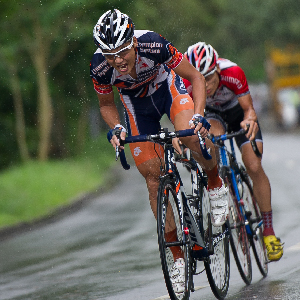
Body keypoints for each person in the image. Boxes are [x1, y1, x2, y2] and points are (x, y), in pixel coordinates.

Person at [90, 9, 229, 296]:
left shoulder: (154, 44)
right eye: (109, 55)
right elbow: (106, 105)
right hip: (137, 108)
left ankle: (215, 183)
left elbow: (196, 78)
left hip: (168, 91)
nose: (117, 61)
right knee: (153, 178)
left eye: (121, 53)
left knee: (190, 136)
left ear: (133, 43)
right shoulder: (100, 67)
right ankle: (177, 259)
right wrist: (117, 128)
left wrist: (199, 116)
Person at [182, 41, 284, 262]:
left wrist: (249, 121)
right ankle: (221, 183)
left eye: (209, 77)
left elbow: (249, 110)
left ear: (217, 70)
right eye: (200, 79)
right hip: (212, 115)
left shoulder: (233, 72)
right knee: (210, 140)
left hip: (237, 114)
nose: (205, 84)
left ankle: (269, 233)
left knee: (254, 165)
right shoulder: (186, 81)